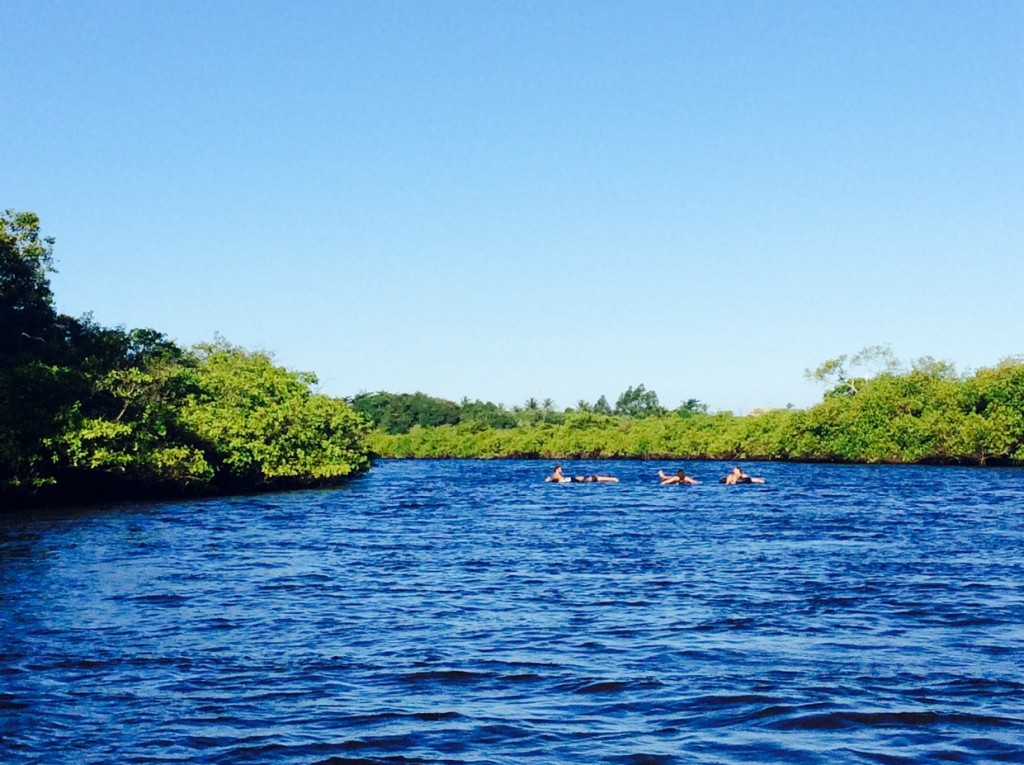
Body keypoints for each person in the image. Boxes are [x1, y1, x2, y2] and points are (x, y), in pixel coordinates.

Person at [546, 464, 619, 483]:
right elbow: (552, 478)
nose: (561, 469)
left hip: (575, 480)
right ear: (556, 470)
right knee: (595, 478)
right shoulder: (556, 475)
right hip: (575, 480)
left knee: (595, 478)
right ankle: (613, 479)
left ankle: (611, 479)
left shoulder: (560, 475)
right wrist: (549, 479)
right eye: (560, 468)